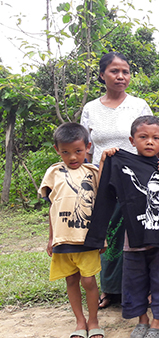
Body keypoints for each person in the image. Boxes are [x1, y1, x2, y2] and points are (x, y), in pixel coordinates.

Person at [85, 116, 159, 338]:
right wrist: (104, 162)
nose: (149, 142)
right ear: (132, 140)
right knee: (134, 281)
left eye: (155, 138)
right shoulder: (122, 162)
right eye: (143, 137)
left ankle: (157, 322)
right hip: (133, 238)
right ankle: (142, 320)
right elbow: (104, 190)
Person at [80, 51, 152, 309]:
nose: (121, 76)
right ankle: (110, 290)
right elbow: (86, 149)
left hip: (135, 180)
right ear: (102, 75)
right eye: (114, 71)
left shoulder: (139, 105)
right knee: (108, 234)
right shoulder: (90, 108)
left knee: (137, 235)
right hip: (103, 181)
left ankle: (139, 290)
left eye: (125, 72)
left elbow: (150, 138)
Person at [39, 123, 104, 338]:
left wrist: (101, 238)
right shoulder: (54, 172)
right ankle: (79, 321)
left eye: (78, 151)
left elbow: (102, 206)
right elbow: (53, 206)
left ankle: (93, 320)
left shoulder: (93, 172)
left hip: (87, 238)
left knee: (89, 281)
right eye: (65, 152)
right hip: (63, 238)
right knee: (70, 279)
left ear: (88, 147)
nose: (73, 157)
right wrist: (51, 238)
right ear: (57, 150)